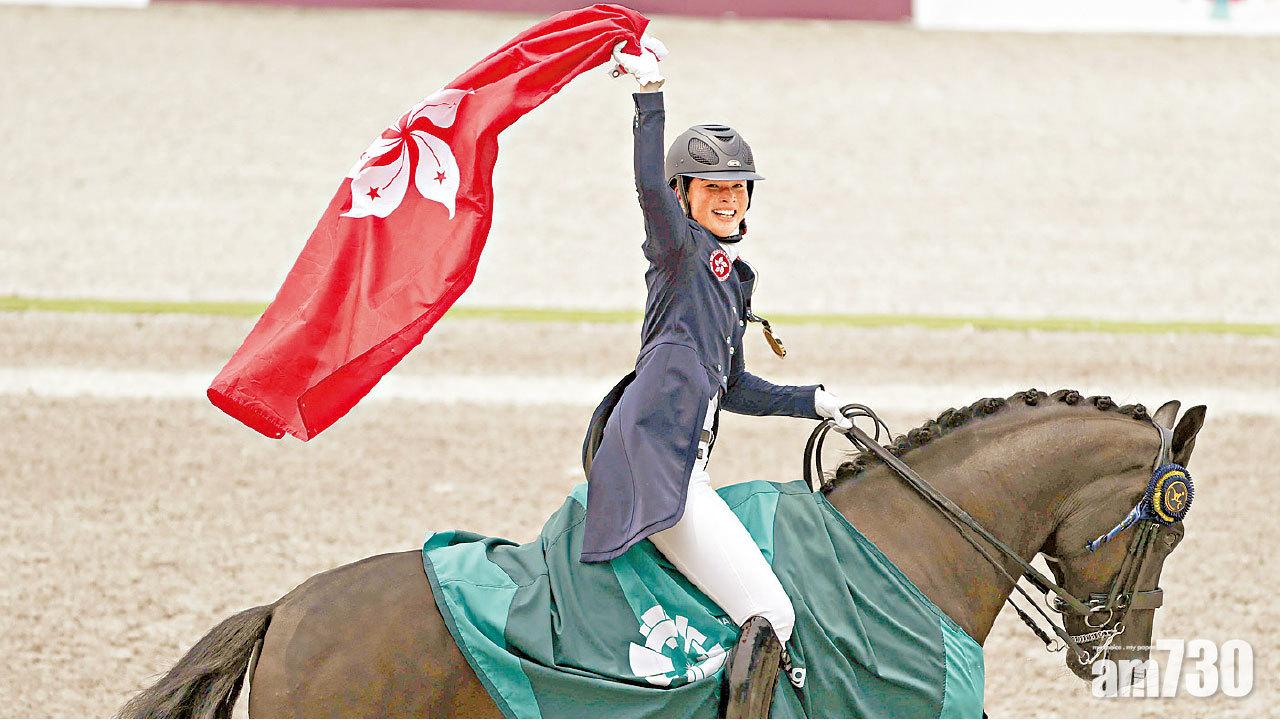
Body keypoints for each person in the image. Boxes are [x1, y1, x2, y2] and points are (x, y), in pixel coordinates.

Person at [580, 35, 854, 716]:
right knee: (773, 615)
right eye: (715, 188)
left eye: (738, 188)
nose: (729, 199)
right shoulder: (676, 252)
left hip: (686, 466)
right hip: (658, 470)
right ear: (685, 196)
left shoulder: (730, 277)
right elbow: (646, 185)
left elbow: (731, 385)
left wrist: (813, 400)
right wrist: (649, 97)